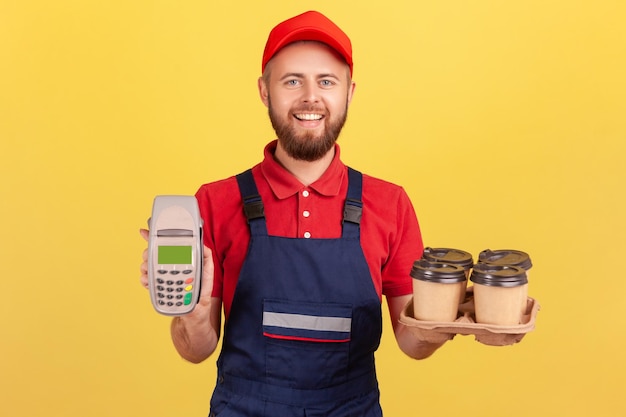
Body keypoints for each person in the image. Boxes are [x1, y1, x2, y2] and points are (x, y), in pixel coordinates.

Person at [140, 10, 447, 416]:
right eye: (291, 81)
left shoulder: (389, 203)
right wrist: (192, 317)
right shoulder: (214, 202)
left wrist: (443, 325)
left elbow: (411, 342)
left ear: (349, 92)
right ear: (265, 91)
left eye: (326, 81)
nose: (310, 97)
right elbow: (195, 351)